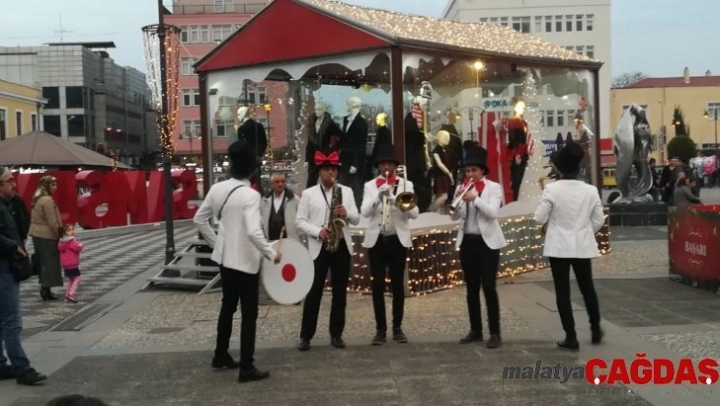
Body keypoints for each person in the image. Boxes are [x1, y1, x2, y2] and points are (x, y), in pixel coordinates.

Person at [194, 140, 281, 383]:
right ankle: (247, 367)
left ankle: (220, 354)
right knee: (249, 314)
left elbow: (199, 220)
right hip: (245, 262)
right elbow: (253, 231)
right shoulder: (251, 195)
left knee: (228, 307)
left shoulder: (217, 189)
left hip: (225, 260)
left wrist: (217, 243)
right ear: (251, 170)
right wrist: (271, 253)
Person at [534, 142, 605, 351]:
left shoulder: (551, 189)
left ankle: (571, 337)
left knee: (562, 292)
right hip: (582, 245)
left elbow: (539, 218)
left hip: (558, 247)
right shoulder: (590, 190)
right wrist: (585, 231)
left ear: (559, 169)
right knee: (587, 288)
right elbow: (599, 220)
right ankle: (595, 328)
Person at [295, 149, 360, 351]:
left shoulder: (346, 192)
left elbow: (357, 219)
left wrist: (346, 213)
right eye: (326, 169)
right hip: (319, 247)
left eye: (333, 169)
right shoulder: (308, 194)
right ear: (319, 172)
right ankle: (306, 336)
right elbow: (299, 222)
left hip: (341, 245)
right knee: (314, 292)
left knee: (340, 293)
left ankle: (336, 334)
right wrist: (318, 231)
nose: (330, 172)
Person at [360, 143, 419, 345]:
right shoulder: (370, 185)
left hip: (397, 241)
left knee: (398, 285)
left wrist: (395, 200)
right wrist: (378, 197)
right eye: (383, 164)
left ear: (395, 166)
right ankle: (380, 329)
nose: (386, 167)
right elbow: (364, 212)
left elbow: (414, 213)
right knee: (377, 285)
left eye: (390, 164)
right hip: (377, 241)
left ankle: (397, 327)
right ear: (378, 166)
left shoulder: (406, 184)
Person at [450, 146, 507, 349]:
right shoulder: (463, 187)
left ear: (482, 170)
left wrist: (475, 199)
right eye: (467, 171)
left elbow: (492, 213)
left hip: (487, 243)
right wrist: (457, 201)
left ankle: (495, 332)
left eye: (474, 170)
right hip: (467, 241)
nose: (470, 174)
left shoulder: (494, 188)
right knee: (471, 288)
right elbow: (454, 216)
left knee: (489, 287)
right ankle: (475, 330)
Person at [0, 166, 47, 385]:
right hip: (4, 267)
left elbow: (22, 224)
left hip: (8, 265)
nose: (14, 184)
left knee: (3, 320)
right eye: (9, 181)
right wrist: (13, 246)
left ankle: (1, 365)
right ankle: (22, 368)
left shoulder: (11, 203)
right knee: (12, 321)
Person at [29, 176, 63, 300]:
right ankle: (45, 289)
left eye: (56, 185)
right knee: (49, 262)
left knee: (43, 262)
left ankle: (45, 288)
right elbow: (52, 221)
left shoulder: (37, 197)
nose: (55, 187)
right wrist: (59, 234)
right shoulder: (47, 200)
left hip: (37, 234)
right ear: (46, 185)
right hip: (47, 235)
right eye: (52, 185)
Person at [260, 173, 300, 242]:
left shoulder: (294, 199)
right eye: (277, 182)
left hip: (289, 240)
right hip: (270, 241)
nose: (280, 184)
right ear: (271, 184)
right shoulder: (265, 200)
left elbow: (301, 219)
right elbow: (261, 220)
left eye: (282, 181)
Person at [58, 224, 84, 303]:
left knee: (71, 279)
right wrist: (81, 244)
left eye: (72, 229)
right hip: (73, 263)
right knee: (78, 278)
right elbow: (78, 248)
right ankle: (71, 294)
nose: (72, 231)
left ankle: (67, 294)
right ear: (64, 232)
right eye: (69, 230)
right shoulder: (71, 240)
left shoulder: (61, 241)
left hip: (65, 264)